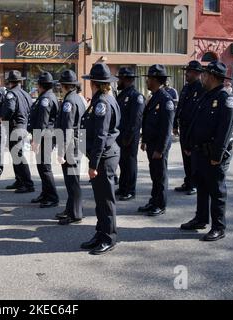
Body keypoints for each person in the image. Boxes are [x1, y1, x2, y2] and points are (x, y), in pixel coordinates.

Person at [181, 61, 233, 242]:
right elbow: (195, 122)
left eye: (204, 74)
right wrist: (189, 144)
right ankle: (201, 218)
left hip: (214, 154)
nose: (202, 76)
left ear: (212, 76)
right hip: (200, 152)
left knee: (217, 190)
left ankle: (218, 227)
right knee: (202, 187)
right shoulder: (206, 96)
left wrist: (217, 155)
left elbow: (225, 130)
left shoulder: (225, 98)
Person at [79, 63, 121, 255]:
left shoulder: (102, 103)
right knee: (100, 200)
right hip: (105, 155)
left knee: (106, 200)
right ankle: (100, 232)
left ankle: (109, 237)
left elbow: (101, 136)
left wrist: (93, 164)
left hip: (104, 157)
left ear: (94, 83)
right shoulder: (103, 100)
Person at [139, 65, 175, 216]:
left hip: (159, 146)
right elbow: (148, 121)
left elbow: (167, 129)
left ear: (155, 80)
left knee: (160, 176)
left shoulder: (166, 100)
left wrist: (160, 149)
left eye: (149, 78)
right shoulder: (154, 96)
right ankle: (154, 200)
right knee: (154, 174)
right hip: (152, 144)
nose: (147, 81)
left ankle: (160, 204)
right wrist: (144, 140)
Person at [55, 69, 86, 225]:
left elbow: (67, 128)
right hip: (77, 144)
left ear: (64, 85)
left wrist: (61, 152)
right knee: (72, 180)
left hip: (70, 147)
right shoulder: (78, 98)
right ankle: (70, 209)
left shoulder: (69, 101)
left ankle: (75, 214)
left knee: (72, 181)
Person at [173, 61, 205, 195]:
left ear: (197, 73)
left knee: (193, 157)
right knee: (186, 157)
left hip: (194, 129)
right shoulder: (186, 88)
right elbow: (180, 106)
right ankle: (188, 181)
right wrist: (175, 123)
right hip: (184, 128)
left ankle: (195, 184)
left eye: (189, 71)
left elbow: (198, 112)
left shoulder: (201, 88)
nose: (186, 73)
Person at [28, 72, 59, 208]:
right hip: (45, 136)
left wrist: (36, 140)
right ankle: (45, 193)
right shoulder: (47, 96)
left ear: (40, 85)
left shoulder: (46, 99)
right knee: (41, 167)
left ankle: (52, 197)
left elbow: (42, 122)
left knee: (45, 167)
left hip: (45, 137)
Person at [1, 70, 35, 194]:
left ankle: (28, 183)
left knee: (18, 155)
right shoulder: (26, 94)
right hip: (23, 126)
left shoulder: (11, 94)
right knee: (16, 154)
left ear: (10, 82)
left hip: (15, 127)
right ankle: (20, 180)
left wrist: (3, 118)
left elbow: (10, 109)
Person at [115, 67, 145, 201]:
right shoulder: (122, 95)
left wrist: (129, 136)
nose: (118, 81)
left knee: (130, 163)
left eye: (120, 79)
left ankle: (130, 190)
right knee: (122, 163)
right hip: (120, 135)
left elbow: (136, 120)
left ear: (126, 80)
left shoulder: (136, 96)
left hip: (130, 137)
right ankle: (122, 187)